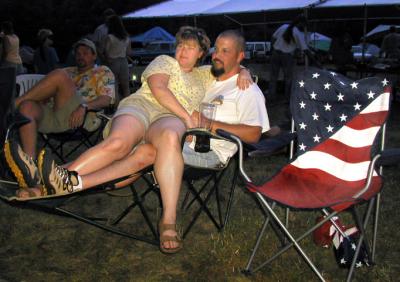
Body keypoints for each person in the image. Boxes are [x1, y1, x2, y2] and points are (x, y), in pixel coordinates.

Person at [5, 26, 252, 254]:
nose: (182, 50)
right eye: (180, 45)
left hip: (168, 119)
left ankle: (168, 219)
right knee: (119, 143)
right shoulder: (164, 61)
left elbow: (230, 66)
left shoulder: (204, 76)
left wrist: (244, 71)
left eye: (190, 47)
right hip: (143, 106)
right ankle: (53, 181)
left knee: (169, 136)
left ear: (201, 53)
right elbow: (159, 89)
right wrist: (188, 117)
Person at [5, 38, 115, 187]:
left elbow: (106, 100)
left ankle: (9, 106)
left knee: (58, 75)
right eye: (77, 53)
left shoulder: (103, 71)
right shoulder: (68, 70)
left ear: (94, 56)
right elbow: (46, 94)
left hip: (81, 117)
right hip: (54, 115)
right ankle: (30, 170)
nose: (80, 56)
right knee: (27, 107)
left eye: (85, 53)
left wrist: (84, 106)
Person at [183, 29, 272, 168]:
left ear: (239, 56)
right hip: (186, 141)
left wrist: (209, 124)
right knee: (146, 148)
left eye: (225, 51)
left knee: (158, 149)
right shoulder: (209, 82)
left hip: (211, 153)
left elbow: (254, 134)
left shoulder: (246, 89)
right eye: (216, 49)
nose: (217, 55)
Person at [268, 15, 309, 101]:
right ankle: (287, 99)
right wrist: (314, 59)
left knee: (273, 77)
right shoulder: (298, 33)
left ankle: (271, 97)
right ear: (300, 23)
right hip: (287, 56)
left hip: (275, 54)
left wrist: (272, 50)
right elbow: (305, 49)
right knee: (288, 78)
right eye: (304, 25)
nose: (304, 27)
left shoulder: (283, 27)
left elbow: (273, 38)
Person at [104, 15, 131, 102]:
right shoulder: (126, 37)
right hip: (124, 62)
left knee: (114, 87)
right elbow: (129, 52)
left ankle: (117, 106)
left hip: (113, 62)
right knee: (126, 87)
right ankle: (128, 106)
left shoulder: (110, 37)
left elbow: (106, 52)